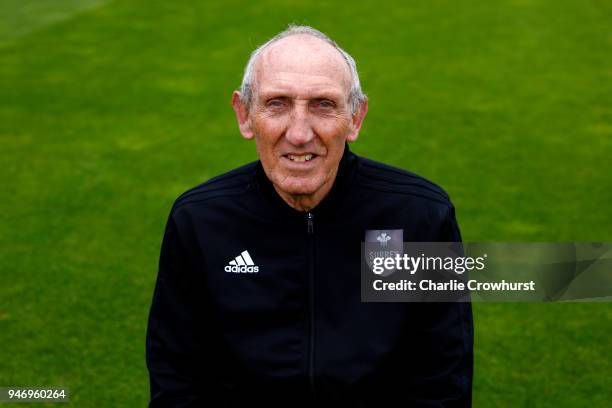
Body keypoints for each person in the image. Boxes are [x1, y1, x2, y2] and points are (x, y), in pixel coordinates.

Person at [146, 25, 473, 407]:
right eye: (277, 103)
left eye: (323, 104)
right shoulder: (200, 221)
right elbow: (178, 380)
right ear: (244, 115)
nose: (299, 134)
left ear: (356, 117)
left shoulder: (417, 216)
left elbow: (441, 379)